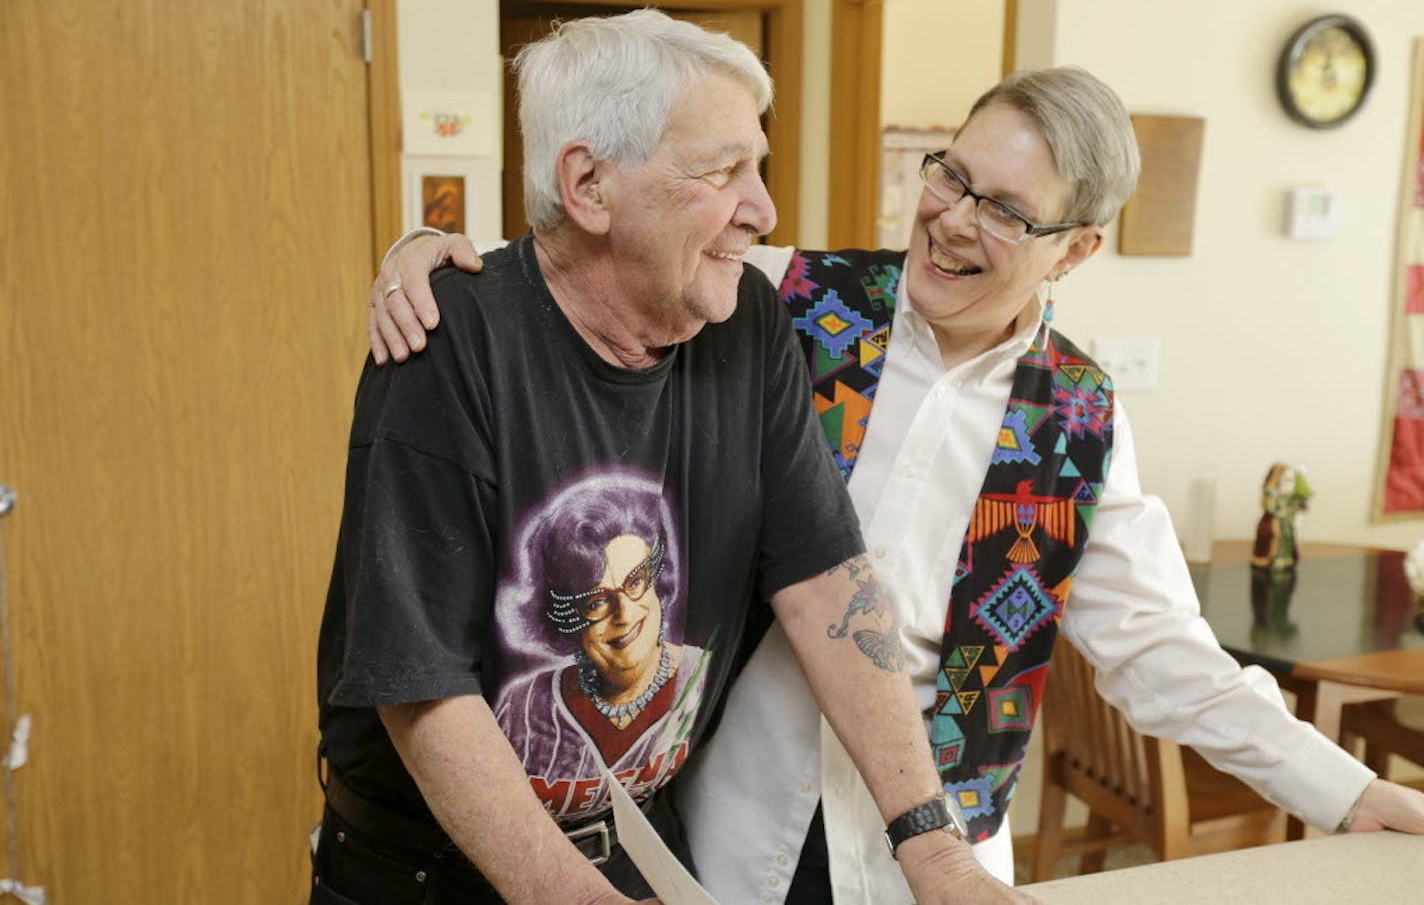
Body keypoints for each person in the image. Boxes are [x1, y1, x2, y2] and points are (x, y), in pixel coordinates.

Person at [372, 57, 1424, 900]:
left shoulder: (1079, 421)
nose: (955, 219)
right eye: (950, 176)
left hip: (937, 850)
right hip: (731, 823)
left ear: (1075, 251)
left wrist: (1344, 791)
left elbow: (1159, 654)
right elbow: (604, 255)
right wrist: (433, 253)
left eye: (1007, 211)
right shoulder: (782, 302)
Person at [316, 8, 1021, 905]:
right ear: (590, 186)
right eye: (724, 171)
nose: (762, 209)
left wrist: (936, 851)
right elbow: (422, 691)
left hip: (642, 842)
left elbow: (827, 585)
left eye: (756, 168)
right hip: (432, 872)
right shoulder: (451, 342)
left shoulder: (748, 322)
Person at [492, 470, 710, 806]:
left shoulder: (698, 678)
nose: (624, 614)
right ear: (563, 619)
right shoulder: (522, 705)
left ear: (660, 580)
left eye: (636, 582)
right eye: (596, 601)